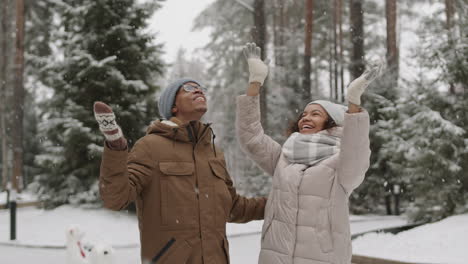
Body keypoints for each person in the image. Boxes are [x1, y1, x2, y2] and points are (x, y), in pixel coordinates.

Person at [93, 78, 267, 264]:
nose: (199, 91)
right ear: (173, 106)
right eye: (189, 88)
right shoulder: (150, 146)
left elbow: (233, 208)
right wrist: (116, 145)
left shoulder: (213, 152)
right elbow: (116, 198)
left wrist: (279, 202)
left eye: (201, 89)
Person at [236, 43, 381, 264]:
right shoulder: (283, 158)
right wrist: (255, 82)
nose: (306, 117)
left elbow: (357, 151)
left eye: (315, 114)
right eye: (304, 114)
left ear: (331, 122)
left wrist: (353, 102)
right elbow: (251, 137)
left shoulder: (341, 163)